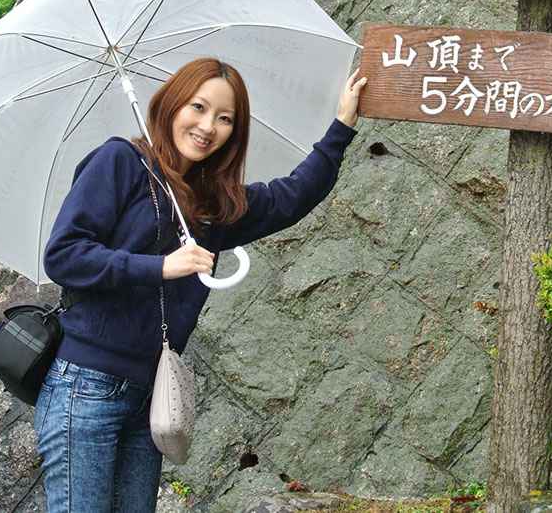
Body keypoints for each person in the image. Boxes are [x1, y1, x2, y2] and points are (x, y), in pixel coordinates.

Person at [35, 57, 367, 512]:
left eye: (225, 118)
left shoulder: (210, 204)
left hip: (148, 394)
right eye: (198, 107)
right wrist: (159, 266)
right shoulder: (120, 162)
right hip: (85, 387)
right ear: (172, 105)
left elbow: (291, 196)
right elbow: (64, 254)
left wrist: (342, 125)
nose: (208, 126)